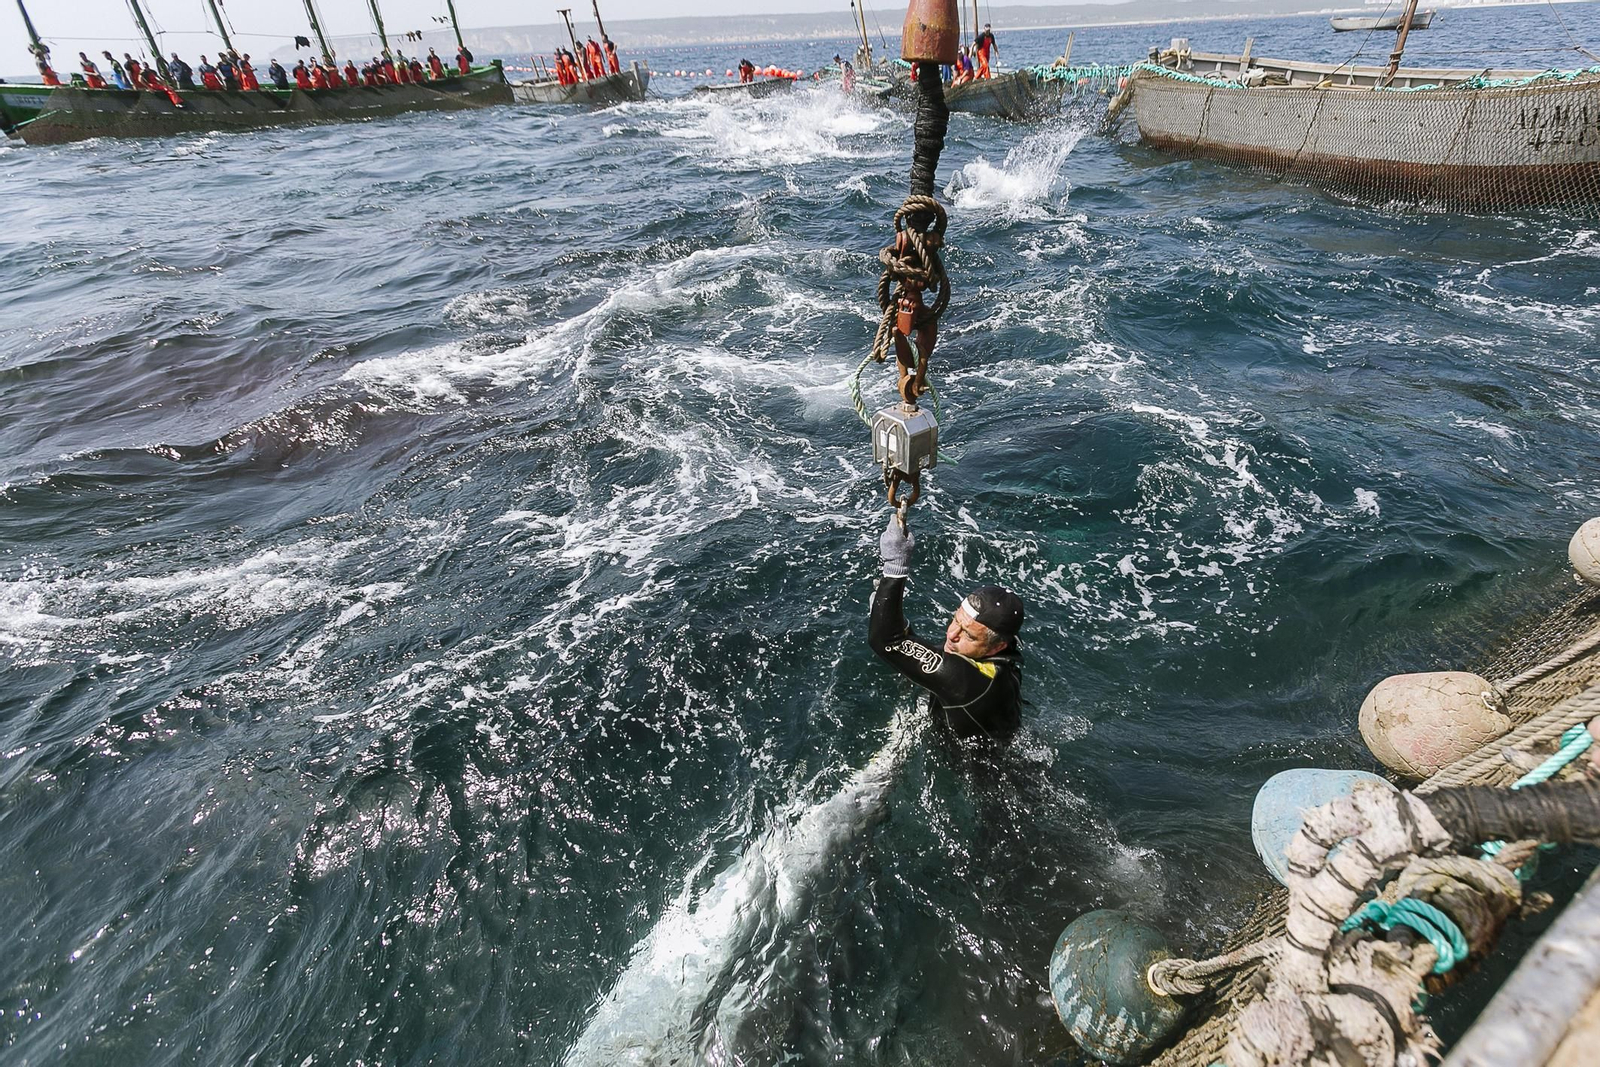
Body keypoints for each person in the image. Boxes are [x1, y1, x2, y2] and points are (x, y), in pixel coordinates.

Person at [869, 515, 1025, 739]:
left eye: (968, 635)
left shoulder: (971, 683)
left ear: (996, 647)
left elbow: (884, 641)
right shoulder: (998, 659)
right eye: (956, 621)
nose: (951, 635)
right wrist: (888, 617)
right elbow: (919, 653)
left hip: (981, 771)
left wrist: (894, 567)